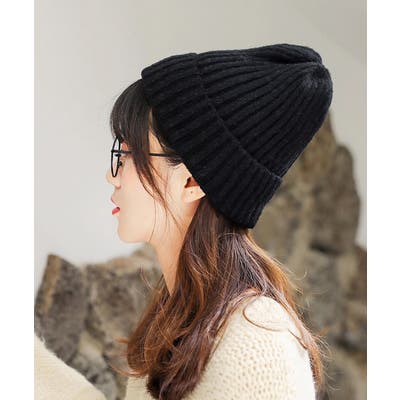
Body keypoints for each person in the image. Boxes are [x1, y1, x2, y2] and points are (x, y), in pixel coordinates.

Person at [35, 43, 333, 400]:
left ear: (192, 181)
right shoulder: (185, 313)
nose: (112, 176)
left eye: (128, 155)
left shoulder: (258, 345)